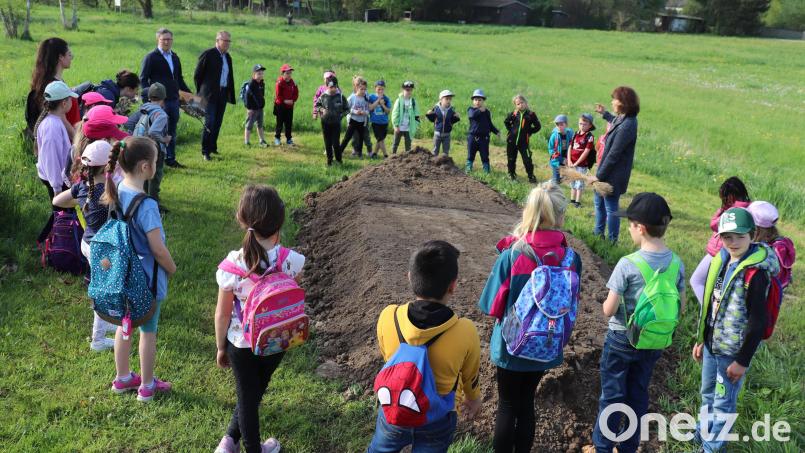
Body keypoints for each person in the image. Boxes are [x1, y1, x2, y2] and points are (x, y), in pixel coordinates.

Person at [478, 182, 581, 453]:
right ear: (560, 216)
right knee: (526, 403)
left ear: (529, 212)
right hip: (546, 342)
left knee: (507, 405)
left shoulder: (514, 254)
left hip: (512, 343)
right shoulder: (571, 259)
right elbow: (571, 304)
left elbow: (491, 304)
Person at [587, 193, 685, 453]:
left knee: (612, 396)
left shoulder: (627, 264)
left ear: (640, 228)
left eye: (630, 225)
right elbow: (681, 307)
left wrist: (603, 302)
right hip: (654, 341)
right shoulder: (676, 263)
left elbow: (609, 310)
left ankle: (602, 448)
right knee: (637, 395)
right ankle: (629, 447)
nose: (629, 229)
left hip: (622, 339)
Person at [214, 185, 305, 453]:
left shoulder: (233, 266)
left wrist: (221, 347)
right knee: (251, 394)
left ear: (242, 220)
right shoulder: (293, 262)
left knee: (247, 396)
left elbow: (222, 313)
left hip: (240, 343)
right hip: (278, 341)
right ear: (280, 222)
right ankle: (240, 445)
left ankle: (234, 443)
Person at [367, 240, 482, 453]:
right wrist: (473, 399)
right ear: (453, 286)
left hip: (395, 409)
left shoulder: (388, 316)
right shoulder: (465, 330)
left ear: (410, 277)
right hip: (436, 419)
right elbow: (470, 375)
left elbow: (387, 357)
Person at [691, 207, 779, 453]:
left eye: (740, 236)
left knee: (723, 403)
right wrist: (702, 338)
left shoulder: (755, 273)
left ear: (753, 234)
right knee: (707, 393)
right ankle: (703, 434)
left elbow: (757, 322)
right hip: (712, 345)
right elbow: (711, 303)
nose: (733, 242)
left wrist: (742, 361)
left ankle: (712, 448)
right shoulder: (722, 260)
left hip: (732, 353)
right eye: (727, 237)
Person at [105, 137, 177, 403]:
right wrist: (172, 268)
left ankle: (123, 378)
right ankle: (147, 386)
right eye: (156, 161)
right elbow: (157, 248)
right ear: (146, 167)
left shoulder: (117, 190)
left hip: (121, 276)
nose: (157, 166)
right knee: (148, 329)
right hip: (147, 279)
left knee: (125, 325)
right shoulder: (147, 205)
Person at [52, 141, 117, 352]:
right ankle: (98, 339)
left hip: (87, 244)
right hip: (104, 249)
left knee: (102, 286)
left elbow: (57, 200)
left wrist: (79, 202)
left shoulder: (82, 188)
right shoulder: (110, 190)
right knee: (104, 292)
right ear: (108, 166)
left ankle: (107, 324)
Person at [689, 177, 751, 304]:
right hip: (729, 253)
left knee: (696, 281)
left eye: (724, 197)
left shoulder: (733, 212)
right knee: (718, 286)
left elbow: (714, 224)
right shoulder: (747, 208)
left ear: (730, 196)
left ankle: (708, 311)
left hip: (719, 253)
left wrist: (723, 210)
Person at [592, 86, 641, 242]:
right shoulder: (623, 118)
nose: (612, 102)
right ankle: (598, 234)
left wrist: (597, 176)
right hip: (606, 170)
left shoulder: (628, 125)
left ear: (623, 102)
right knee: (598, 203)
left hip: (613, 175)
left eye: (615, 99)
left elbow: (614, 154)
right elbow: (615, 121)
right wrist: (605, 114)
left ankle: (612, 241)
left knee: (611, 208)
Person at [141, 28, 192, 168]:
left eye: (169, 39)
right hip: (158, 102)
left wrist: (190, 94)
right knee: (156, 131)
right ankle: (154, 161)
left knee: (171, 131)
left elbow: (179, 79)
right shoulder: (151, 57)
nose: (167, 42)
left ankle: (170, 159)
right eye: (164, 39)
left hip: (174, 100)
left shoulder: (175, 57)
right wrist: (148, 101)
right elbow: (143, 80)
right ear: (158, 40)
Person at [34, 81, 77, 245]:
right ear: (64, 103)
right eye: (70, 99)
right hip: (55, 179)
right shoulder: (52, 127)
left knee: (61, 211)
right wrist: (57, 188)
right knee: (60, 211)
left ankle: (55, 242)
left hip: (57, 177)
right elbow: (51, 160)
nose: (73, 102)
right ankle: (46, 242)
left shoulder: (55, 120)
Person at [125, 83, 172, 210]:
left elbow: (129, 123)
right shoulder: (161, 115)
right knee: (155, 178)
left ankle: (143, 199)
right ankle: (154, 204)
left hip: (140, 147)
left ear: (150, 96)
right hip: (154, 149)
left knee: (143, 176)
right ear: (164, 98)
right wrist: (164, 139)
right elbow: (153, 132)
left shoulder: (144, 108)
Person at [26, 37, 79, 139]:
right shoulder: (51, 86)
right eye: (69, 54)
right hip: (66, 141)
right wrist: (78, 141)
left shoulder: (51, 82)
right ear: (61, 57)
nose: (71, 57)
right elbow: (62, 119)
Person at [194, 31, 235, 161]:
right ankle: (205, 151)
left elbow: (229, 76)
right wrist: (202, 91)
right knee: (209, 122)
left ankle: (212, 147)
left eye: (229, 41)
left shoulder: (228, 57)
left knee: (217, 122)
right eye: (225, 41)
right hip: (209, 95)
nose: (227, 44)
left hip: (222, 93)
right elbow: (197, 75)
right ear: (217, 40)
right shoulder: (208, 54)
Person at [747, 201, 796, 290]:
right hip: (780, 287)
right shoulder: (781, 242)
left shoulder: (765, 250)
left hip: (766, 290)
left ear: (756, 228)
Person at [503, 94, 540, 183]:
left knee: (527, 160)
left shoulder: (531, 114)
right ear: (515, 105)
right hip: (512, 141)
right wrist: (511, 131)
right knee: (511, 158)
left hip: (524, 143)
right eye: (518, 104)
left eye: (522, 102)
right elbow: (506, 122)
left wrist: (529, 131)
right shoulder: (513, 114)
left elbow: (538, 126)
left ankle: (531, 176)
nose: (520, 105)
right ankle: (511, 174)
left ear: (525, 102)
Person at [315, 77, 348, 166]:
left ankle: (339, 160)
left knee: (336, 143)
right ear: (326, 86)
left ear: (337, 86)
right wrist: (322, 109)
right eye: (331, 87)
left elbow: (347, 109)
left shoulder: (340, 97)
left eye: (335, 87)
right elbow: (317, 105)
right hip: (325, 123)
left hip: (336, 123)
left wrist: (341, 115)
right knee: (327, 142)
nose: (333, 89)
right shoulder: (323, 96)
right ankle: (329, 160)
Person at [466, 89, 500, 174]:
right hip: (472, 137)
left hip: (484, 138)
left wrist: (496, 132)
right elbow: (472, 116)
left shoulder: (487, 112)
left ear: (483, 101)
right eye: (475, 100)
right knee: (470, 155)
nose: (477, 102)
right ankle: (468, 169)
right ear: (473, 101)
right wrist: (479, 110)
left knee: (485, 156)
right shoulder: (471, 110)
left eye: (480, 100)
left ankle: (486, 171)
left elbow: (489, 124)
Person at [568, 113, 596, 207]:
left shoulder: (589, 136)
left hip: (581, 164)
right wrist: (569, 160)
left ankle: (577, 201)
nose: (582, 126)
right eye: (580, 124)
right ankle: (572, 199)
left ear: (590, 125)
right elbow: (570, 147)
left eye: (585, 124)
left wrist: (577, 162)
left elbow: (586, 152)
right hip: (572, 163)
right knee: (572, 180)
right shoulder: (575, 133)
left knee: (579, 182)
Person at [339, 76, 371, 159]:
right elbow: (347, 108)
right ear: (357, 88)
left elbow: (368, 110)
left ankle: (359, 153)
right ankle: (340, 151)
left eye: (365, 89)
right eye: (361, 89)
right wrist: (355, 111)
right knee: (347, 137)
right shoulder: (352, 98)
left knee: (361, 138)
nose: (363, 91)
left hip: (362, 121)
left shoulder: (365, 99)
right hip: (353, 121)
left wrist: (364, 112)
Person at [425, 90, 460, 157]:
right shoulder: (436, 109)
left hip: (447, 135)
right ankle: (434, 164)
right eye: (446, 99)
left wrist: (457, 117)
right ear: (441, 99)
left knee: (446, 152)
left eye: (450, 99)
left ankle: (445, 165)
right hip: (437, 134)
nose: (448, 101)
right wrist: (429, 114)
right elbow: (432, 119)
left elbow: (452, 121)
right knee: (435, 151)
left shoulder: (451, 110)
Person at [391, 81, 420, 154]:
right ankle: (392, 157)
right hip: (399, 127)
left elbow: (417, 115)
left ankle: (407, 160)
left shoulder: (413, 102)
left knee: (408, 145)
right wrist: (395, 125)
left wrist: (415, 126)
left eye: (410, 90)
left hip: (408, 128)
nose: (409, 91)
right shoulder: (399, 101)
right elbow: (395, 114)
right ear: (403, 90)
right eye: (407, 90)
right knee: (395, 143)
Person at [273, 64, 298, 146]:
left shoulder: (293, 82)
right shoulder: (279, 82)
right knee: (279, 122)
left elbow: (296, 93)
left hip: (290, 106)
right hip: (280, 106)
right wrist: (285, 101)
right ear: (283, 74)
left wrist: (293, 100)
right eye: (287, 73)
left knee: (289, 123)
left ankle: (289, 139)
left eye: (290, 73)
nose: (289, 75)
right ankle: (277, 138)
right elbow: (278, 95)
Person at [243, 64, 267, 147]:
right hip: (252, 109)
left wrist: (262, 105)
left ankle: (262, 140)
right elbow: (246, 97)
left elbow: (262, 95)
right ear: (254, 75)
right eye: (258, 73)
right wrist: (248, 108)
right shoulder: (251, 84)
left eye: (262, 73)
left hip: (260, 108)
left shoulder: (262, 84)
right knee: (249, 125)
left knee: (260, 125)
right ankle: (246, 141)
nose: (261, 75)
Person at [367, 80, 391, 159]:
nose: (380, 90)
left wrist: (383, 105)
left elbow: (388, 112)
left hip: (384, 122)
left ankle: (374, 153)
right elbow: (370, 108)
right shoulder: (371, 97)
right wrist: (378, 101)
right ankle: (385, 155)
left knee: (380, 139)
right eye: (379, 89)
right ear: (375, 88)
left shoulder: (386, 99)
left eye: (382, 89)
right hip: (375, 122)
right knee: (380, 139)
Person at [547, 114, 573, 185]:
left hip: (567, 158)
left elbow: (572, 146)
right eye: (557, 125)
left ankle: (557, 179)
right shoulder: (554, 136)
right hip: (556, 160)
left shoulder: (570, 133)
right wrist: (561, 159)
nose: (559, 126)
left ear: (566, 125)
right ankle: (552, 182)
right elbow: (551, 149)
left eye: (561, 124)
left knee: (567, 176)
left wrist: (568, 158)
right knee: (556, 181)